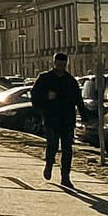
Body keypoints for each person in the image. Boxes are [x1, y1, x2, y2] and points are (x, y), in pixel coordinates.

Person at [31, 52, 82, 185]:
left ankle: (65, 177)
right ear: (54, 63)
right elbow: (35, 96)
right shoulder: (45, 78)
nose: (61, 67)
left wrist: (85, 116)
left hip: (67, 119)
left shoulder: (70, 81)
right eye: (59, 64)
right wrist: (43, 107)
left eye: (63, 64)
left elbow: (78, 100)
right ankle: (49, 164)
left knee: (67, 149)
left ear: (66, 64)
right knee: (52, 145)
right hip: (51, 118)